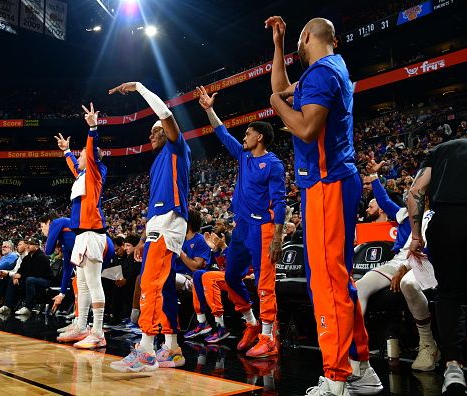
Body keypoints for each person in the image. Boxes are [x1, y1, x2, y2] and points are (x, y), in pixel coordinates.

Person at [267, 16, 381, 395]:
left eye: (295, 39)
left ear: (308, 38)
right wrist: (279, 43)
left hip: (325, 182)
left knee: (328, 282)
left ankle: (335, 377)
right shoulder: (333, 68)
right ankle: (361, 367)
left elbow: (304, 128)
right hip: (332, 180)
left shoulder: (321, 74)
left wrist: (273, 105)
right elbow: (282, 86)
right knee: (340, 279)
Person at [196, 85, 286, 358]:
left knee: (264, 283)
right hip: (242, 228)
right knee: (232, 276)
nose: (243, 137)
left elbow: (280, 203)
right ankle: (250, 322)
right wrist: (210, 109)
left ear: (259, 136)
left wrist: (279, 237)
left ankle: (269, 338)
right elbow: (222, 133)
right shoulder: (244, 156)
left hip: (264, 229)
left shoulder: (274, 165)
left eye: (247, 133)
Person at [109, 80, 191, 372]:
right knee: (164, 286)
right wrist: (143, 238)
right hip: (158, 224)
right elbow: (152, 210)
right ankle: (172, 349)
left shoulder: (177, 148)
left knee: (150, 284)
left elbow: (166, 116)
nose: (150, 134)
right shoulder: (158, 163)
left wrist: (140, 88)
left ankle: (145, 349)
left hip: (170, 221)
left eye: (155, 130)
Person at [356, 160, 439, 372]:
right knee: (361, 286)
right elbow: (383, 200)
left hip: (426, 263)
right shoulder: (405, 214)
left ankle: (428, 344)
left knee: (409, 284)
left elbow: (434, 251)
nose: (411, 194)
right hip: (397, 262)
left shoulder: (437, 216)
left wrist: (407, 269)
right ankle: (355, 349)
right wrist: (374, 177)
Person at [406, 139, 467, 395]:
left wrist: (417, 236)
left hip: (448, 224)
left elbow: (415, 191)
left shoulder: (443, 149)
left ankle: (453, 367)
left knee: (449, 296)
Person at [55, 103, 109, 350]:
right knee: (84, 284)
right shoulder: (83, 177)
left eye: (80, 155)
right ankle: (81, 325)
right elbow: (74, 167)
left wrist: (93, 128)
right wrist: (66, 151)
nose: (78, 157)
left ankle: (98, 332)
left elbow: (90, 149)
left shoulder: (96, 173)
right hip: (82, 235)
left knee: (93, 284)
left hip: (93, 234)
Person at [0, 237, 52, 316]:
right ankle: (7, 306)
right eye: (27, 244)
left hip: (45, 280)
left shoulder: (42, 257)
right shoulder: (27, 257)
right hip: (31, 278)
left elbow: (37, 273)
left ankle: (28, 307)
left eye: (30, 244)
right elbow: (21, 269)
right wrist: (16, 276)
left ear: (37, 246)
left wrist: (21, 276)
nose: (27, 246)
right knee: (12, 279)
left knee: (30, 280)